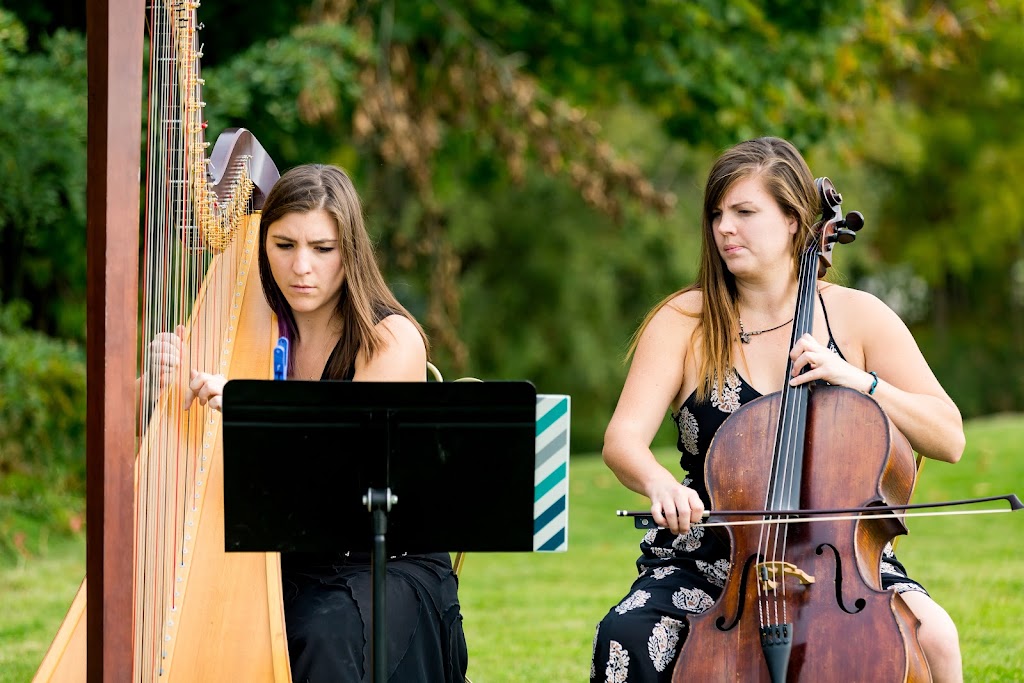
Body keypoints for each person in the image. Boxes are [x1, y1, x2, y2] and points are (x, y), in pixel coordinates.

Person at [591, 137, 964, 683]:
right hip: (713, 558)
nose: (724, 228)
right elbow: (621, 440)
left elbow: (948, 437)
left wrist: (857, 379)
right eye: (717, 214)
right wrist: (659, 483)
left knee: (937, 638)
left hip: (838, 557)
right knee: (627, 635)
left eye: (744, 212)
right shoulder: (683, 321)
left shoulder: (858, 317)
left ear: (794, 220)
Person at [158, 163, 469, 682]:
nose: (302, 266)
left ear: (350, 251)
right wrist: (162, 383)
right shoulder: (244, 329)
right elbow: (190, 452)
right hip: (288, 557)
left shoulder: (387, 340)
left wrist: (249, 407)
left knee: (323, 631)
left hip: (384, 559)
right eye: (284, 245)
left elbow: (344, 473)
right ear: (262, 247)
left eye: (322, 249)